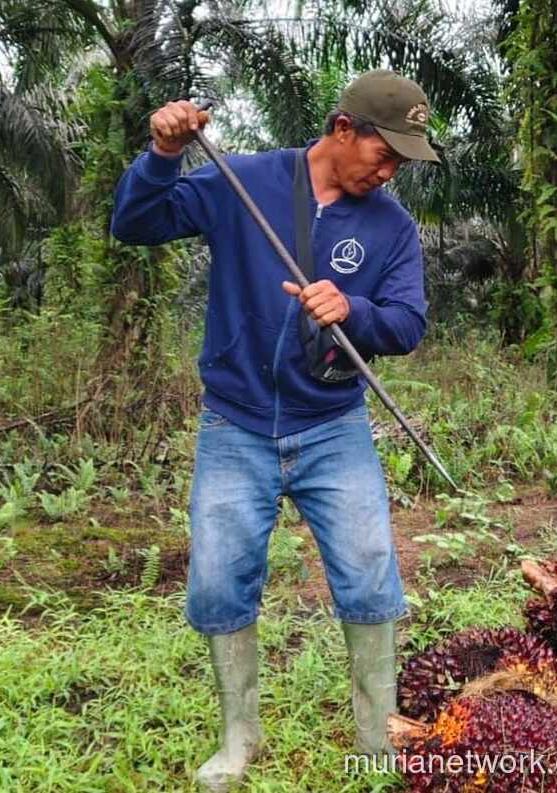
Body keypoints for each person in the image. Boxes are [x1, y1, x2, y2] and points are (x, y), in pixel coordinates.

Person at [110, 69, 439, 791]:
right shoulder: (244, 181)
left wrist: (352, 308)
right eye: (385, 154)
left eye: (401, 164)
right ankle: (238, 735)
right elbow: (135, 224)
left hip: (333, 424)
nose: (389, 174)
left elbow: (408, 323)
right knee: (220, 577)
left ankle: (374, 739)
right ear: (342, 129)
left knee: (368, 571)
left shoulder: (391, 226)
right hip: (237, 422)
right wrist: (162, 155)